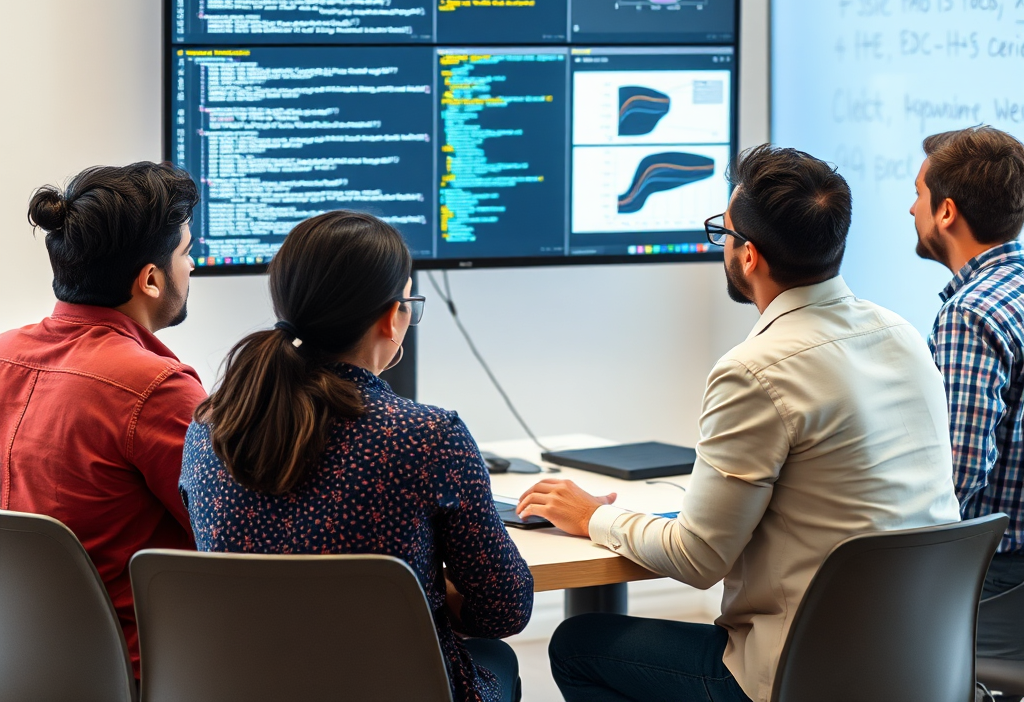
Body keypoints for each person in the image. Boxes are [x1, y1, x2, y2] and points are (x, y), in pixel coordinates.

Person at [518, 144, 960, 702]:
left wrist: (593, 518)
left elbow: (698, 558)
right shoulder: (900, 334)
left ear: (749, 257)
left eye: (722, 234)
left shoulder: (756, 369)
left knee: (578, 645)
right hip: (915, 665)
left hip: (802, 677)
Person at [180, 210, 533, 702]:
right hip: (396, 688)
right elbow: (504, 611)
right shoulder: (429, 436)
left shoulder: (208, 427)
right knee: (497, 660)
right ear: (393, 316)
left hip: (251, 686)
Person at [0, 162, 207, 679]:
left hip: (21, 663)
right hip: (138, 671)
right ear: (151, 280)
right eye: (186, 253)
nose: (193, 267)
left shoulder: (2, 356)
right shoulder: (156, 389)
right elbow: (234, 533)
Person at [910, 125, 1024, 660]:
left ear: (947, 212)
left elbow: (955, 478)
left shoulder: (970, 314)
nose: (912, 210)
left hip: (995, 585)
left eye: (918, 196)